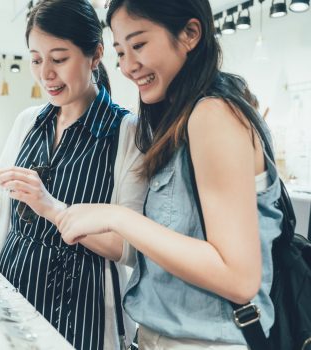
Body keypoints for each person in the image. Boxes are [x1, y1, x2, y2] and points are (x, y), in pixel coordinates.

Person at [56, 0, 283, 349]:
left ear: (190, 34)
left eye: (139, 45)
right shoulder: (179, 120)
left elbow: (239, 277)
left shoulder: (213, 114)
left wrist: (116, 217)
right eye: (120, 52)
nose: (128, 66)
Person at [0, 1, 146, 348]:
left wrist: (52, 207)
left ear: (95, 55)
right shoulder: (29, 121)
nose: (45, 74)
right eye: (36, 59)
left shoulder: (127, 131)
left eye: (59, 58)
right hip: (13, 287)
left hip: (83, 308)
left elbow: (128, 247)